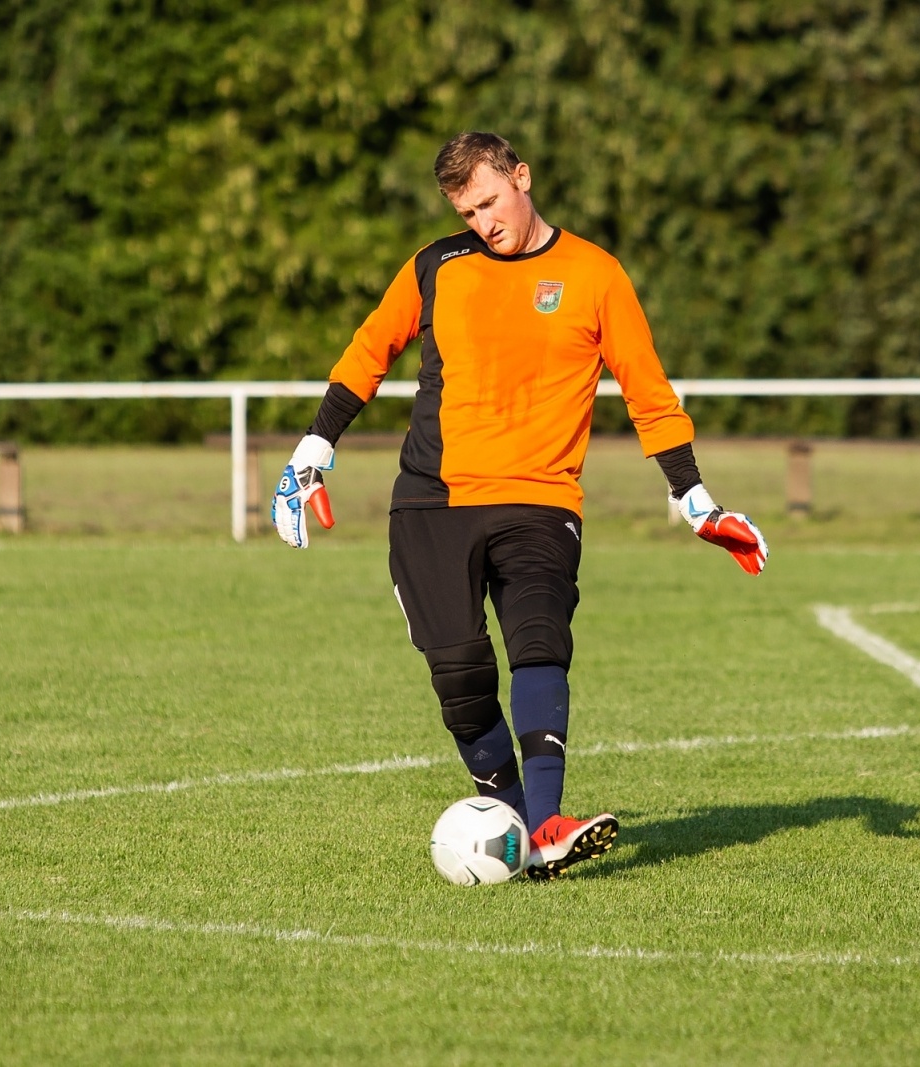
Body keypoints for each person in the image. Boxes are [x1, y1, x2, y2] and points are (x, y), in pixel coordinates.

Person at [272, 132, 768, 881]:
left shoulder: (596, 274)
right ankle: (506, 812)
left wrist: (694, 498)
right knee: (460, 672)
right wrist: (315, 446)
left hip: (540, 498)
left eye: (490, 201)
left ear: (522, 177)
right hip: (432, 501)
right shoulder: (437, 265)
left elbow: (648, 391)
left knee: (540, 639)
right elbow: (370, 349)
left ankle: (544, 828)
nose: (483, 222)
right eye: (467, 211)